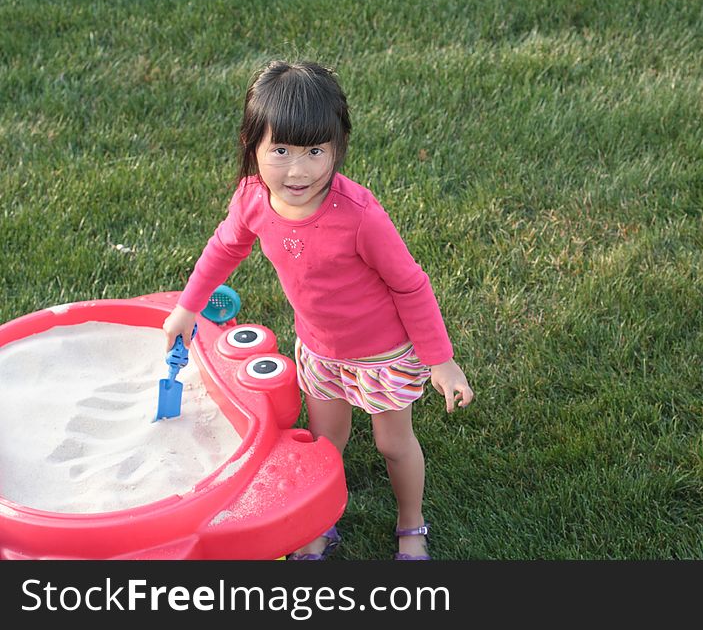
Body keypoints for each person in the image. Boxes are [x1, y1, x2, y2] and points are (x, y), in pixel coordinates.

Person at [162, 60, 474, 560]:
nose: (298, 170)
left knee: (392, 444)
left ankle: (411, 524)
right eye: (280, 151)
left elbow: (411, 286)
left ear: (337, 147)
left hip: (383, 353)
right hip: (320, 350)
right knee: (326, 442)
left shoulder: (361, 218)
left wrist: (440, 359)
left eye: (314, 151)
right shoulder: (252, 199)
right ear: (252, 146)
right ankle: (321, 518)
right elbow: (224, 248)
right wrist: (186, 308)